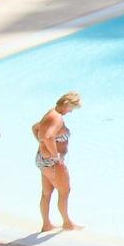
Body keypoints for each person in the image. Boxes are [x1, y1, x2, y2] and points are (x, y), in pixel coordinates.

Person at [32, 92, 82, 232]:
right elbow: (48, 137)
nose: (71, 112)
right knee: (65, 191)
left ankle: (46, 224)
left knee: (46, 193)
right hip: (52, 162)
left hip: (43, 159)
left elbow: (35, 128)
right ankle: (67, 223)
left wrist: (42, 145)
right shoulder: (58, 118)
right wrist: (55, 156)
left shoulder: (50, 113)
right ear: (66, 104)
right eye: (71, 108)